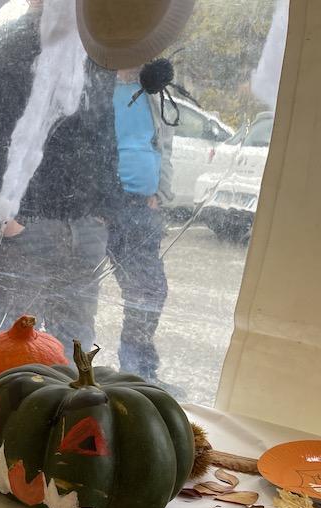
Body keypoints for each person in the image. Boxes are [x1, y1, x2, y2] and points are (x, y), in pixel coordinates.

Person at [0, 0, 122, 351]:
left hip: (84, 228)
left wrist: (102, 212)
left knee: (77, 345)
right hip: (23, 230)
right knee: (16, 352)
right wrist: (0, 220)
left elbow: (103, 136)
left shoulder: (94, 52)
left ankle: (70, 407)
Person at [107, 65, 175, 385]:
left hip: (142, 206)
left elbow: (163, 145)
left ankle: (138, 375)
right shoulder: (98, 85)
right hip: (104, 205)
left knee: (150, 290)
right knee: (77, 290)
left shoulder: (153, 89)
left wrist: (159, 192)